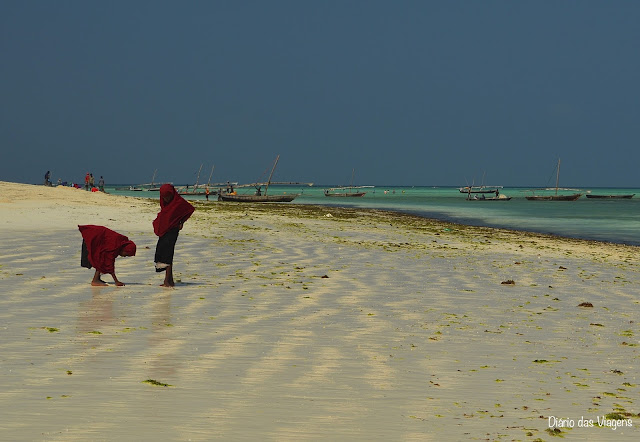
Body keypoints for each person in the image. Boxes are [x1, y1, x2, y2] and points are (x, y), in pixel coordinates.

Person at [153, 184, 195, 287]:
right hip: (164, 229)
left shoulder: (178, 201)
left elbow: (190, 209)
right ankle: (169, 280)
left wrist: (182, 222)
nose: (166, 199)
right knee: (161, 251)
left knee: (168, 253)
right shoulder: (165, 202)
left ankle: (167, 281)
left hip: (172, 230)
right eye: (164, 197)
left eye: (168, 196)